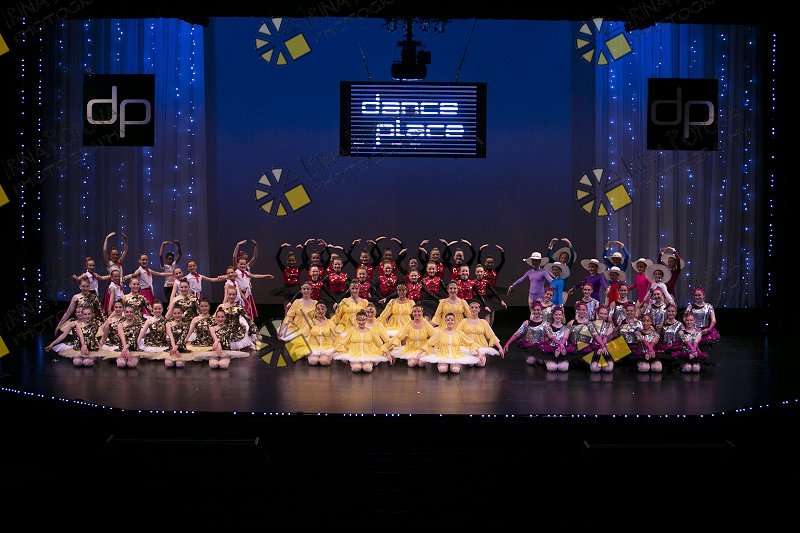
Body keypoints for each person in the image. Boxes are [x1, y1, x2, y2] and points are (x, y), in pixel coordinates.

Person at [457, 301, 504, 366]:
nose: (474, 309)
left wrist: (500, 347)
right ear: (469, 309)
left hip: (480, 346)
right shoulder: (464, 321)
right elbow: (457, 333)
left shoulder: (483, 322)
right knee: (468, 363)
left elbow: (491, 335)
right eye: (472, 307)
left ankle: (476, 357)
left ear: (479, 309)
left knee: (481, 364)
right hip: (466, 346)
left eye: (476, 307)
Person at [216, 286, 259, 350]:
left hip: (236, 331)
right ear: (227, 295)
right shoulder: (222, 307)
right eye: (230, 294)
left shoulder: (239, 307)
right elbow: (215, 317)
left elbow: (248, 318)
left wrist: (254, 330)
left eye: (233, 294)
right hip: (225, 331)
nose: (231, 296)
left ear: (236, 295)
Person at [538, 307, 574, 372]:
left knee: (563, 368)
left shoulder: (566, 328)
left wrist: (560, 347)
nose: (558, 316)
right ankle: (547, 361)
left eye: (559, 315)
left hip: (562, 349)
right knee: (552, 368)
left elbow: (565, 338)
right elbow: (552, 337)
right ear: (553, 316)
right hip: (551, 350)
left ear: (562, 316)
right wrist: (560, 345)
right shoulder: (548, 327)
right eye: (556, 314)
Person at [303, 302, 337, 366]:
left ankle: (325, 358)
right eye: (318, 309)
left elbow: (336, 337)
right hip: (313, 347)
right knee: (313, 362)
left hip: (326, 348)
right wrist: (306, 351)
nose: (320, 311)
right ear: (315, 310)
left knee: (324, 361)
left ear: (326, 310)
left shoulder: (330, 322)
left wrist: (333, 352)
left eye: (322, 309)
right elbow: (304, 336)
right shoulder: (311, 322)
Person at [586, 305, 616, 373]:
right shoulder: (591, 324)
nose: (602, 315)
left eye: (605, 314)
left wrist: (604, 345)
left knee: (608, 369)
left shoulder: (609, 325)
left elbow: (606, 337)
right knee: (595, 369)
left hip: (606, 349)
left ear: (607, 315)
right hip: (594, 349)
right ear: (597, 314)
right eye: (601, 313)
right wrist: (602, 346)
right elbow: (596, 337)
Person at [115, 304, 143, 369]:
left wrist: (127, 348)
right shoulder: (120, 324)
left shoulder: (137, 325)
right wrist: (125, 349)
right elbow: (122, 338)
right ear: (124, 313)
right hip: (123, 348)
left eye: (131, 312)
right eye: (127, 312)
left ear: (134, 313)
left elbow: (133, 339)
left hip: (133, 348)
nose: (129, 314)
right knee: (121, 364)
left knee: (131, 364)